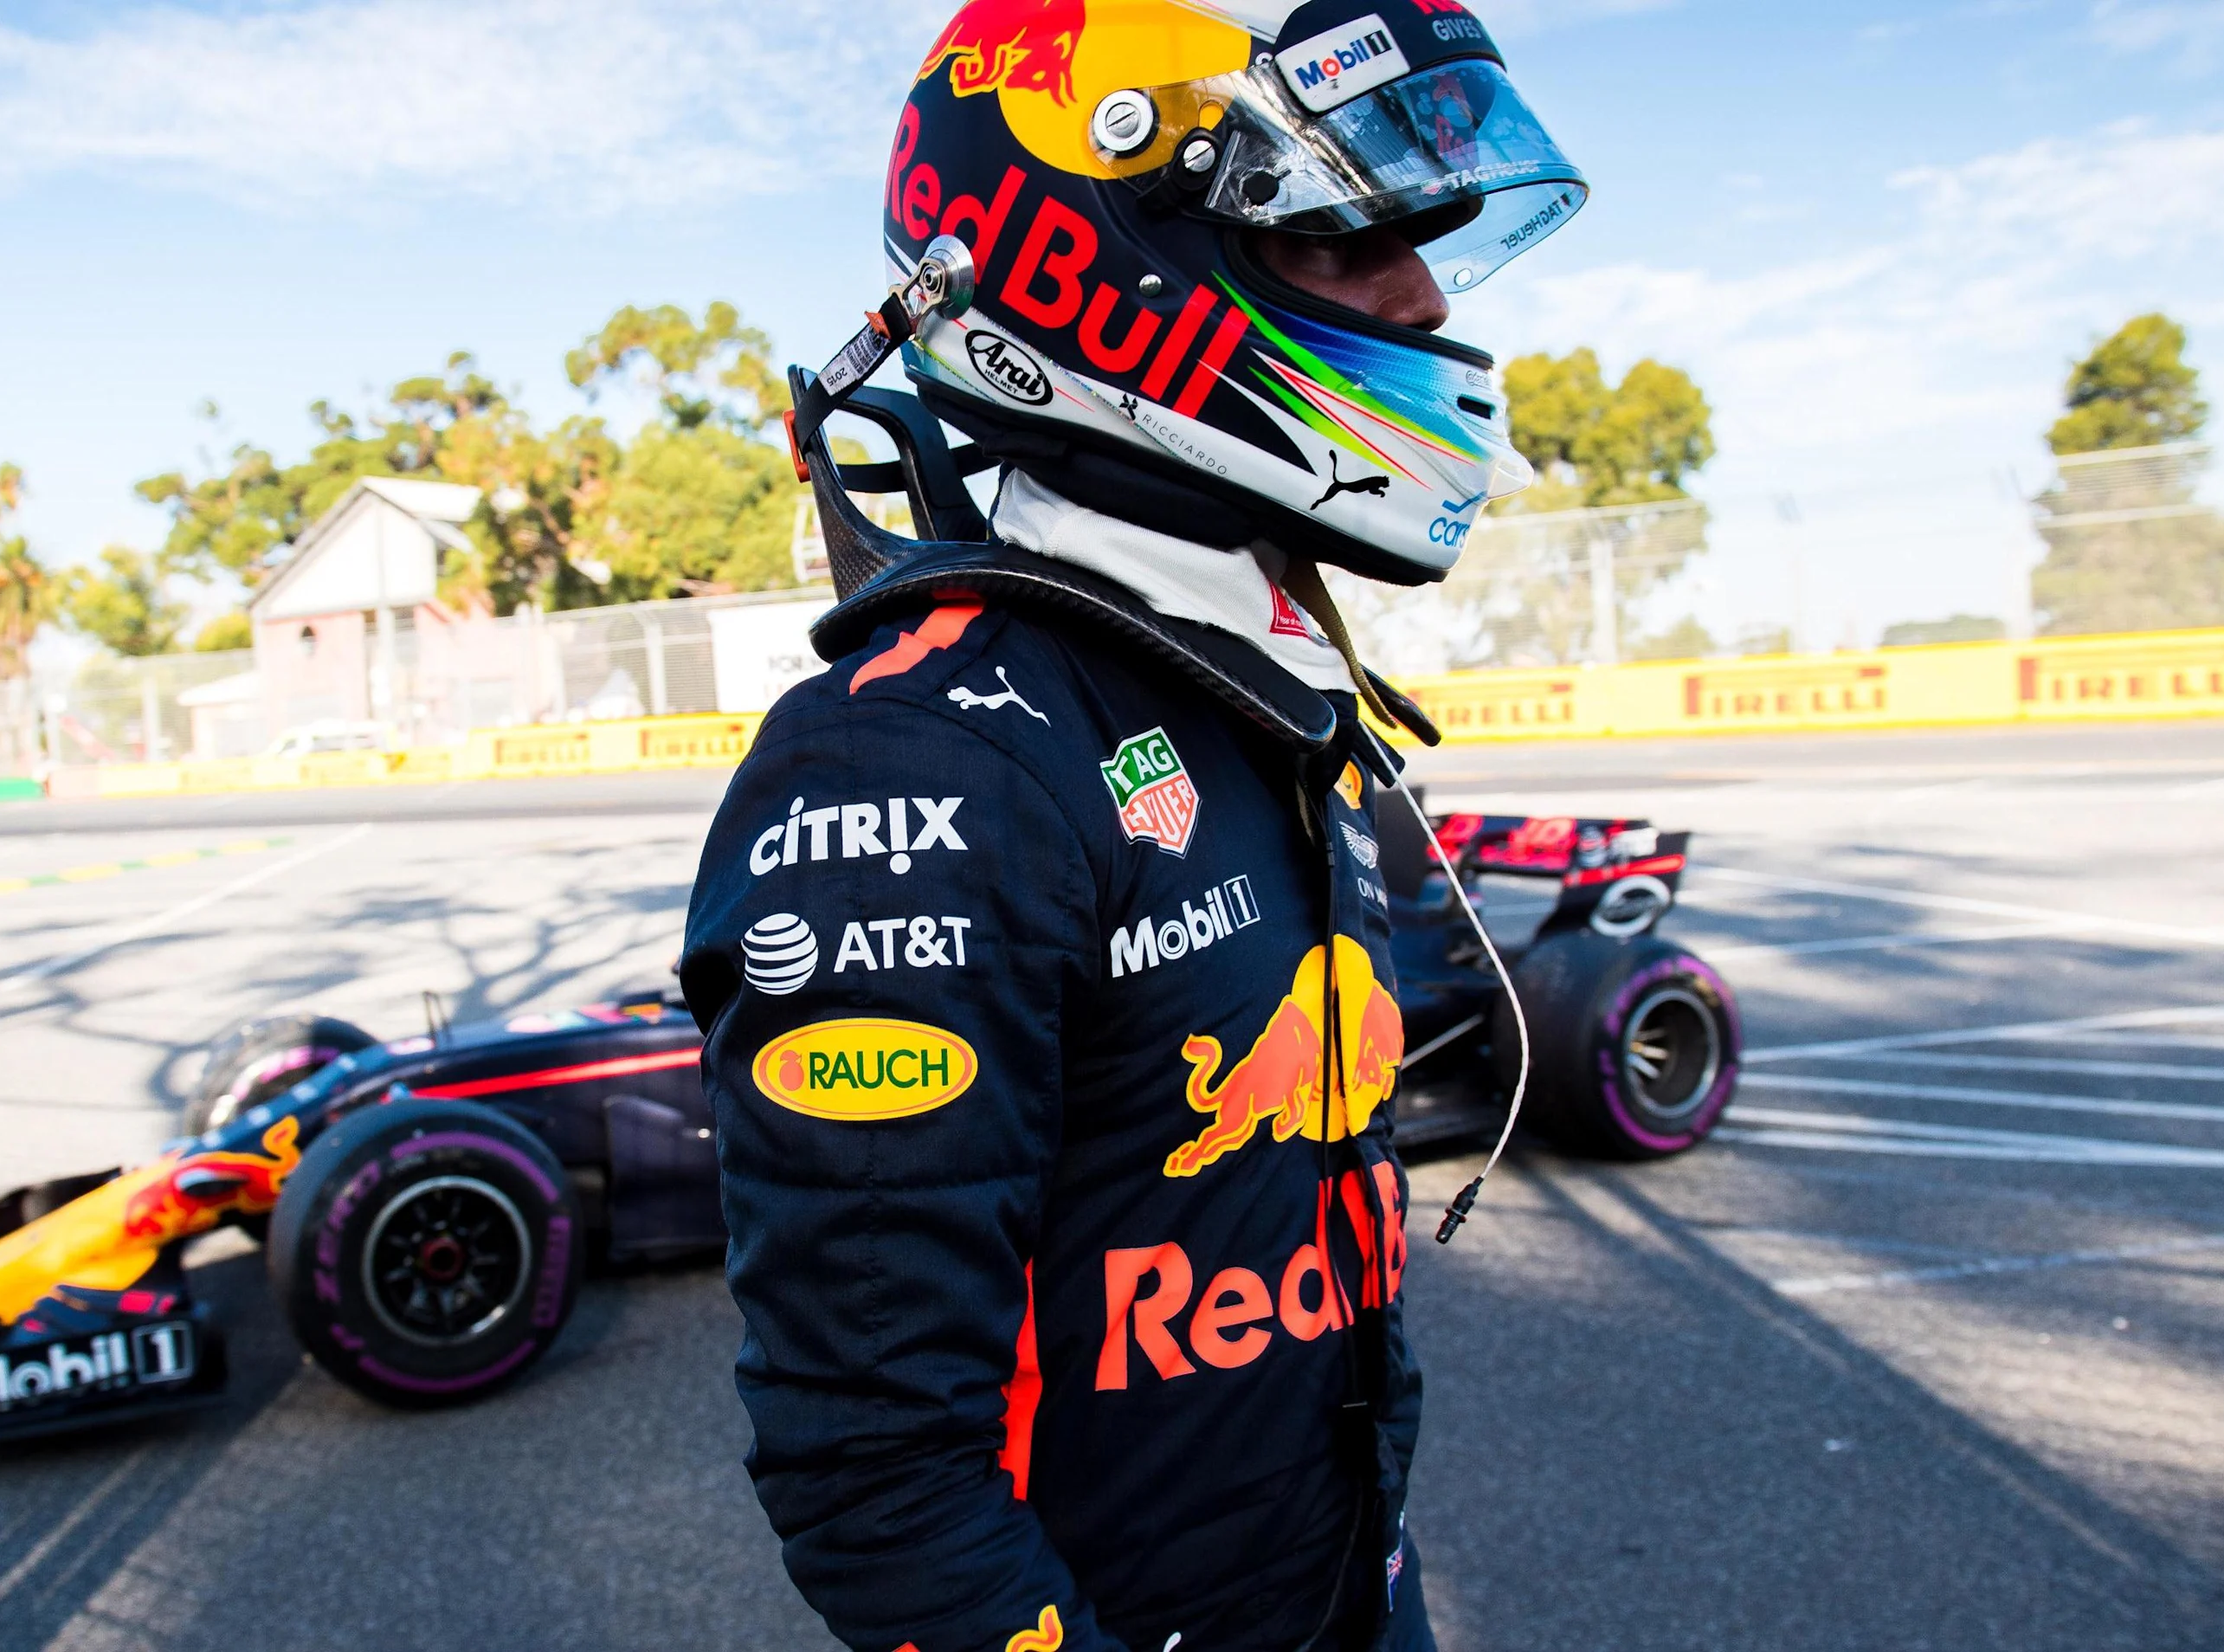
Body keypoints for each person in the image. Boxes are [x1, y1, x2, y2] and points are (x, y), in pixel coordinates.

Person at [677, 3, 1587, 1647]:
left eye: (1424, 240)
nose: (1428, 298)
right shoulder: (918, 758)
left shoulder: (1264, 678)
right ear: (1093, 266)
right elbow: (880, 1487)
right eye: (1341, 236)